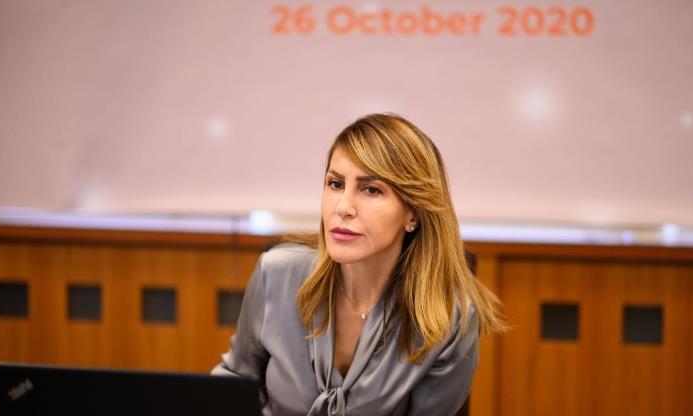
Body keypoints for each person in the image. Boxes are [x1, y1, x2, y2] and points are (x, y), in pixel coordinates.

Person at [213, 113, 505, 415]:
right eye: (335, 184)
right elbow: (234, 382)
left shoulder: (450, 318)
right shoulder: (276, 274)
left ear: (413, 214)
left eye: (371, 189)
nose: (343, 207)